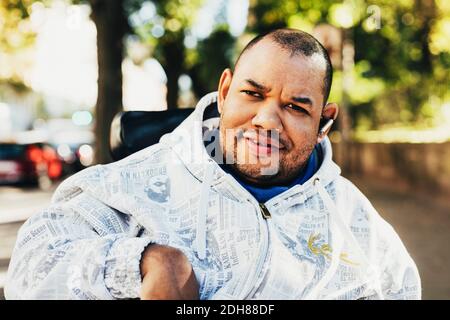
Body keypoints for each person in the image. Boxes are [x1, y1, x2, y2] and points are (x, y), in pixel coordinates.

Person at [5, 28, 421, 300]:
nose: (266, 120)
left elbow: (401, 288)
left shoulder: (353, 217)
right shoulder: (133, 184)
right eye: (253, 94)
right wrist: (146, 263)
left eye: (295, 107)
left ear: (324, 122)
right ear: (224, 92)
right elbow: (31, 269)